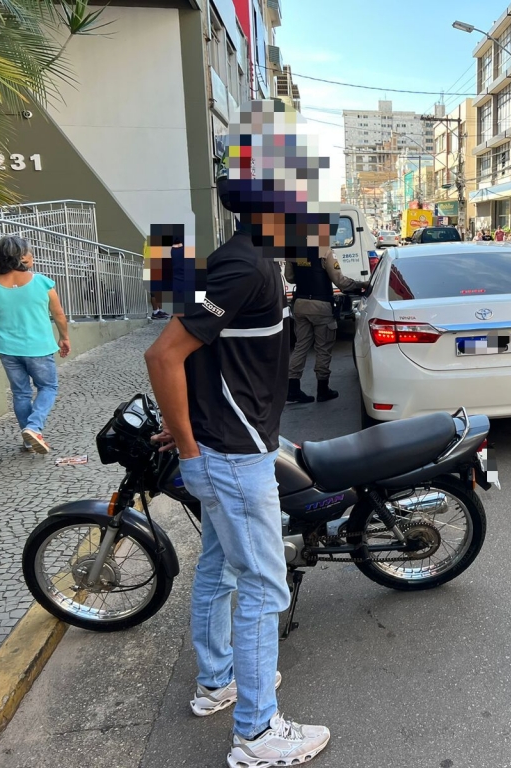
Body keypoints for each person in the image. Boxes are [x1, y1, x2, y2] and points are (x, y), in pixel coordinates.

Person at [145, 100, 331, 768]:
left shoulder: (252, 258)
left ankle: (218, 684)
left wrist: (185, 428)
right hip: (231, 457)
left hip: (235, 444)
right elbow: (163, 355)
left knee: (223, 569)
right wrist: (191, 450)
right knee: (262, 586)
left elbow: (200, 354)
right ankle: (256, 734)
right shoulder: (245, 265)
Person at [0, 236, 70, 454]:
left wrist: (3, 311)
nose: (32, 256)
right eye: (29, 252)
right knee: (48, 387)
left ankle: (28, 441)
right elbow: (58, 314)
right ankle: (34, 428)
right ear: (20, 257)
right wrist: (64, 337)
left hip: (9, 349)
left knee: (21, 394)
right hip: (39, 347)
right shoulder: (42, 282)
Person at [284, 248, 367, 403]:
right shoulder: (325, 250)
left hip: (300, 304)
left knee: (301, 346)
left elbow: (289, 277)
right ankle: (322, 390)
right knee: (323, 347)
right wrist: (362, 284)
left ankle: (292, 389)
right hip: (321, 305)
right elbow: (339, 281)